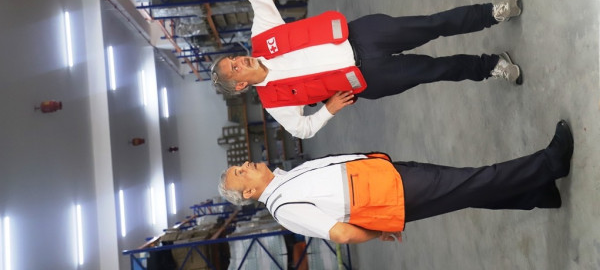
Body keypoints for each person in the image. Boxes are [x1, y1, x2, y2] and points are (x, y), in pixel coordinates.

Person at [212, 0, 523, 139]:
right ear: (240, 85)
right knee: (435, 70)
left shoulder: (263, 38)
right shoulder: (275, 103)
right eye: (234, 69)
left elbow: (260, 1)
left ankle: (492, 13)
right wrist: (327, 111)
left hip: (363, 35)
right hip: (369, 78)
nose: (239, 61)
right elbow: (301, 130)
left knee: (432, 24)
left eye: (233, 59)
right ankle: (492, 66)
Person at [218, 120, 573, 244]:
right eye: (241, 172)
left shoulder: (284, 180)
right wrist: (378, 232)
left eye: (240, 165)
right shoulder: (283, 208)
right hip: (391, 195)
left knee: (464, 190)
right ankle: (549, 164)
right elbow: (340, 234)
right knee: (471, 181)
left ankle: (540, 194)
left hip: (385, 178)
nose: (246, 164)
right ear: (248, 192)